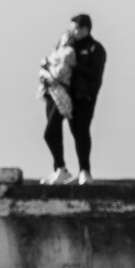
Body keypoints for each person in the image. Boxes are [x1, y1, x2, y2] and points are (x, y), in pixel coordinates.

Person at [37, 13, 107, 184]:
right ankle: (59, 169)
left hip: (84, 97)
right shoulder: (66, 45)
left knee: (80, 133)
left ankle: (84, 172)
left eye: (74, 28)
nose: (71, 32)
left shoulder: (95, 49)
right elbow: (56, 62)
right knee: (52, 132)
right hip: (63, 95)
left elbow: (95, 74)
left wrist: (76, 64)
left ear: (85, 29)